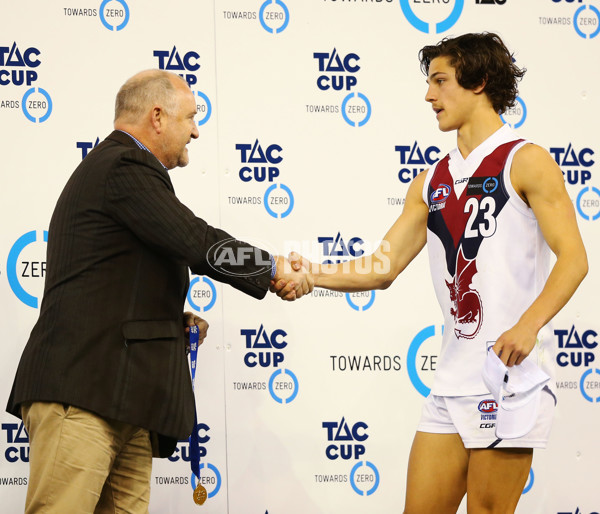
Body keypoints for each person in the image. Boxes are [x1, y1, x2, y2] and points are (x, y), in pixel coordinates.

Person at [274, 32, 588, 512]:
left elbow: (575, 259)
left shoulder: (526, 160)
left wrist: (529, 326)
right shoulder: (430, 181)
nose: (428, 95)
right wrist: (313, 274)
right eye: (429, 83)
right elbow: (383, 266)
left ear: (479, 81)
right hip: (450, 383)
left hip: (508, 380)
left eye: (440, 81)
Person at [6, 69, 312, 513]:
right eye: (190, 117)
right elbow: (192, 238)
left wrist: (172, 322)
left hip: (120, 403)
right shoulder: (123, 165)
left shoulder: (116, 171)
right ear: (156, 116)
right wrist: (269, 268)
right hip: (84, 396)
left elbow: (114, 283)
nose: (196, 130)